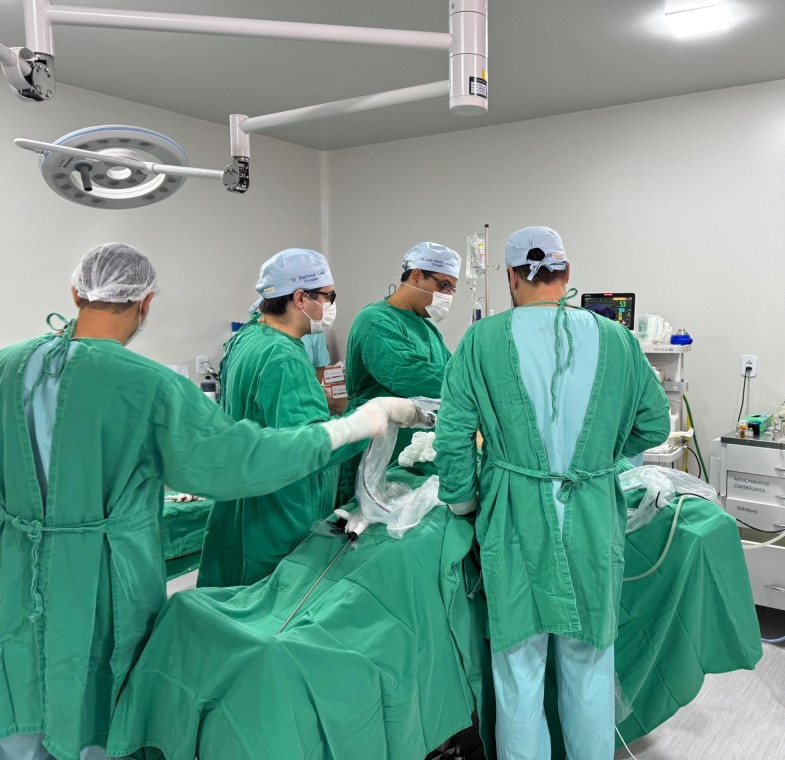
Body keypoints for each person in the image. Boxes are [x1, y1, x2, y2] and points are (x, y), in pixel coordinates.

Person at [0, 243, 398, 760]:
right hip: (103, 579)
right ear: (146, 302)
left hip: (15, 571)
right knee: (103, 702)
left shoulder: (9, 365)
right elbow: (238, 459)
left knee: (21, 683)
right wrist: (349, 427)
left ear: (77, 293)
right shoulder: (146, 385)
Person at [434, 227, 670, 760]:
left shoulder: (481, 341)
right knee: (589, 665)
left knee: (518, 670)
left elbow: (452, 438)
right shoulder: (617, 340)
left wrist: (465, 500)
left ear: (512, 277)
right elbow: (655, 424)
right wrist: (602, 455)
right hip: (591, 518)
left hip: (515, 519)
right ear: (567, 275)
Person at [197, 249, 421, 588]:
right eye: (329, 296)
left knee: (231, 604)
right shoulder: (283, 358)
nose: (331, 305)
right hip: (278, 511)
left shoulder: (247, 339)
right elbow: (311, 446)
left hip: (241, 503)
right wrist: (376, 418)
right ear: (301, 298)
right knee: (273, 603)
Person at [338, 241, 460, 502]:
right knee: (365, 519)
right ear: (416, 276)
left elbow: (452, 371)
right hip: (377, 449)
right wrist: (476, 384)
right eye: (443, 285)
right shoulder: (375, 320)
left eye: (452, 289)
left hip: (412, 453)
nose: (448, 295)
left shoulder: (427, 329)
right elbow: (410, 376)